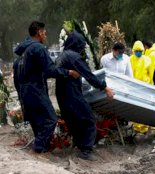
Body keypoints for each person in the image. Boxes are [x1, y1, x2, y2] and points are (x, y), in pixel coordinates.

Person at [13, 21, 80, 153]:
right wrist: (68, 72)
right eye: (44, 33)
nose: (45, 35)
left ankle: (43, 149)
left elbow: (16, 77)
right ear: (39, 32)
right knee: (51, 119)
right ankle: (38, 148)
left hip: (24, 92)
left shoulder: (22, 52)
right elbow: (50, 70)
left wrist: (21, 93)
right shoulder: (38, 48)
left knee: (37, 121)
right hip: (36, 90)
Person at [55, 31, 114, 160]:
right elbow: (88, 75)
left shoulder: (62, 56)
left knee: (73, 122)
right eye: (81, 45)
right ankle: (86, 151)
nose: (82, 48)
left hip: (61, 95)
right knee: (89, 120)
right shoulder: (74, 57)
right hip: (72, 94)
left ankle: (80, 147)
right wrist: (104, 87)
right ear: (77, 44)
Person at [130, 40, 152, 134]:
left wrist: (151, 85)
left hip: (145, 87)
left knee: (145, 107)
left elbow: (151, 74)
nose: (138, 52)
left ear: (143, 50)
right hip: (134, 87)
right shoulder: (130, 59)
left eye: (140, 50)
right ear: (133, 50)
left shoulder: (147, 59)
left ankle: (145, 127)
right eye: (136, 50)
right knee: (136, 107)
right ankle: (137, 127)